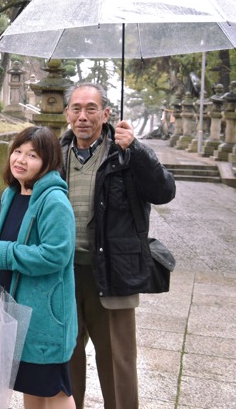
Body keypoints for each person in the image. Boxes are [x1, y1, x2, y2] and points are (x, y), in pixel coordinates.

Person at [61, 82, 176, 409]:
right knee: (66, 355)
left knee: (117, 361)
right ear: (67, 113)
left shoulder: (125, 152)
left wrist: (137, 150)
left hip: (113, 271)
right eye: (77, 108)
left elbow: (164, 192)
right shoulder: (56, 153)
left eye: (91, 109)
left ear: (106, 114)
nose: (83, 116)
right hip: (66, 272)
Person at [0, 126, 77, 409]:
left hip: (43, 313)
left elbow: (56, 254)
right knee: (29, 385)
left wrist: (6, 254)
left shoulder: (54, 200)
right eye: (18, 151)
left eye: (32, 155)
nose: (21, 159)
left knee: (54, 390)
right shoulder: (12, 194)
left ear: (48, 161)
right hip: (14, 306)